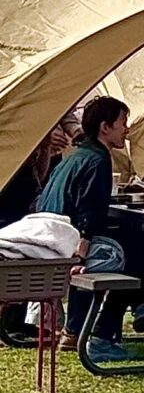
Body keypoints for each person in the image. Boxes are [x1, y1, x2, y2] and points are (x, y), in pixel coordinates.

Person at [38, 97, 144, 362]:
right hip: (66, 245)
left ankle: (76, 328)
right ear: (105, 127)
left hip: (51, 237)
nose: (127, 129)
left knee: (128, 237)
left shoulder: (77, 154)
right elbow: (89, 213)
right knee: (131, 250)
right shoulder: (98, 160)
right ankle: (104, 334)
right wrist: (80, 256)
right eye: (123, 123)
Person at [0, 111, 77, 344]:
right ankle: (8, 325)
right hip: (5, 202)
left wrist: (43, 147)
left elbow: (38, 179)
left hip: (21, 204)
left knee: (25, 254)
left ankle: (14, 324)